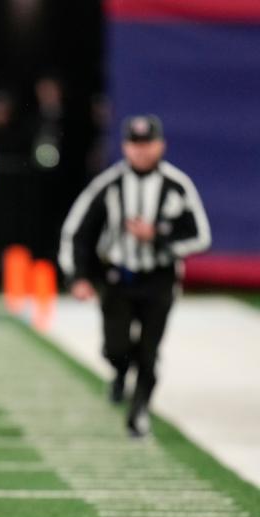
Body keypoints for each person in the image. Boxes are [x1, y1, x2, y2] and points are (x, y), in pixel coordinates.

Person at [58, 114, 210, 437]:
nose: (141, 151)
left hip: (160, 278)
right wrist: (78, 277)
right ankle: (119, 370)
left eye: (147, 144)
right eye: (135, 144)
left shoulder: (176, 185)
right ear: (125, 147)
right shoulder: (109, 185)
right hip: (119, 278)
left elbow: (201, 236)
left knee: (150, 351)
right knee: (115, 347)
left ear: (161, 145)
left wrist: (157, 236)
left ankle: (138, 412)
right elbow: (77, 231)